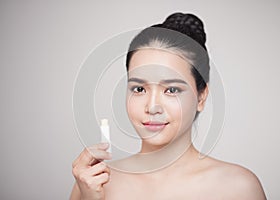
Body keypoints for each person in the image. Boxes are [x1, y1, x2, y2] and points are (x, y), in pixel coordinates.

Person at [70, 12, 266, 200]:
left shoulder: (238, 187)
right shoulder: (94, 183)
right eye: (139, 89)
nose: (153, 107)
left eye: (171, 90)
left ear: (201, 97)